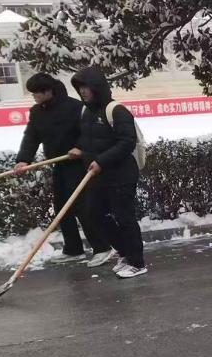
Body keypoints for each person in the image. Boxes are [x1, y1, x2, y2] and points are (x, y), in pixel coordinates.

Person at [13, 73, 109, 263]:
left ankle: (102, 248)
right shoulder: (37, 111)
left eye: (36, 93)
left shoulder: (75, 107)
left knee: (83, 207)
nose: (34, 96)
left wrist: (80, 148)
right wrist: (24, 160)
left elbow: (90, 131)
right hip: (59, 164)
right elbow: (31, 137)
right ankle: (73, 249)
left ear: (48, 91)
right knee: (62, 208)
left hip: (80, 164)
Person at [68, 67, 148, 279]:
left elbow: (127, 142)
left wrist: (101, 161)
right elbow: (90, 138)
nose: (83, 91)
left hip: (121, 175)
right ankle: (125, 252)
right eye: (80, 88)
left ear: (97, 87)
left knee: (125, 217)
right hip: (98, 175)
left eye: (86, 87)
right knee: (93, 214)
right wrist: (80, 149)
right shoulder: (86, 112)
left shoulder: (117, 111)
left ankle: (137, 262)